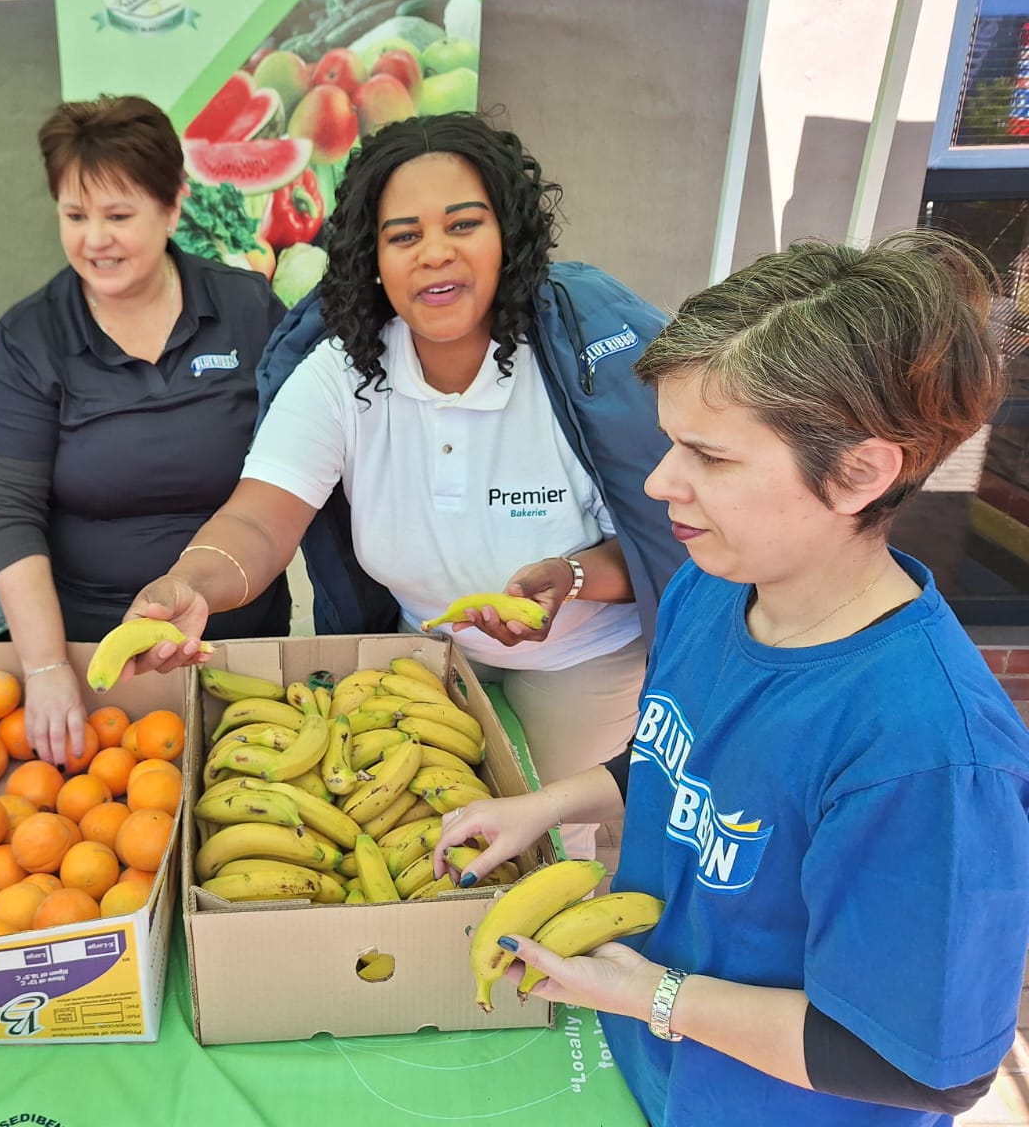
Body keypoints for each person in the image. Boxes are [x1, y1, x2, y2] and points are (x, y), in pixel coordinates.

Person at [434, 232, 1029, 1125]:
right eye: (670, 443)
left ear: (859, 473)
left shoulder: (930, 752)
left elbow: (924, 1068)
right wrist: (547, 806)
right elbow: (680, 762)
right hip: (650, 1072)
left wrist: (656, 997)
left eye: (711, 457)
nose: (663, 481)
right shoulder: (711, 593)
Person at [125, 114, 679, 859]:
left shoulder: (572, 361)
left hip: (582, 662)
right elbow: (258, 523)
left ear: (507, 236)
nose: (436, 254)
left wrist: (572, 576)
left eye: (464, 224)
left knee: (572, 850)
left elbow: (668, 531)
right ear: (372, 257)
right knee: (425, 852)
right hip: (427, 653)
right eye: (404, 235)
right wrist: (193, 581)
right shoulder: (342, 372)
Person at [0, 94, 290, 766]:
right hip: (95, 658)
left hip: (242, 640)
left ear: (173, 207)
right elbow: (9, 511)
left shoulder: (246, 310)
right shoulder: (31, 336)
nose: (94, 239)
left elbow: (306, 469)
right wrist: (46, 667)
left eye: (119, 216)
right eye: (74, 215)